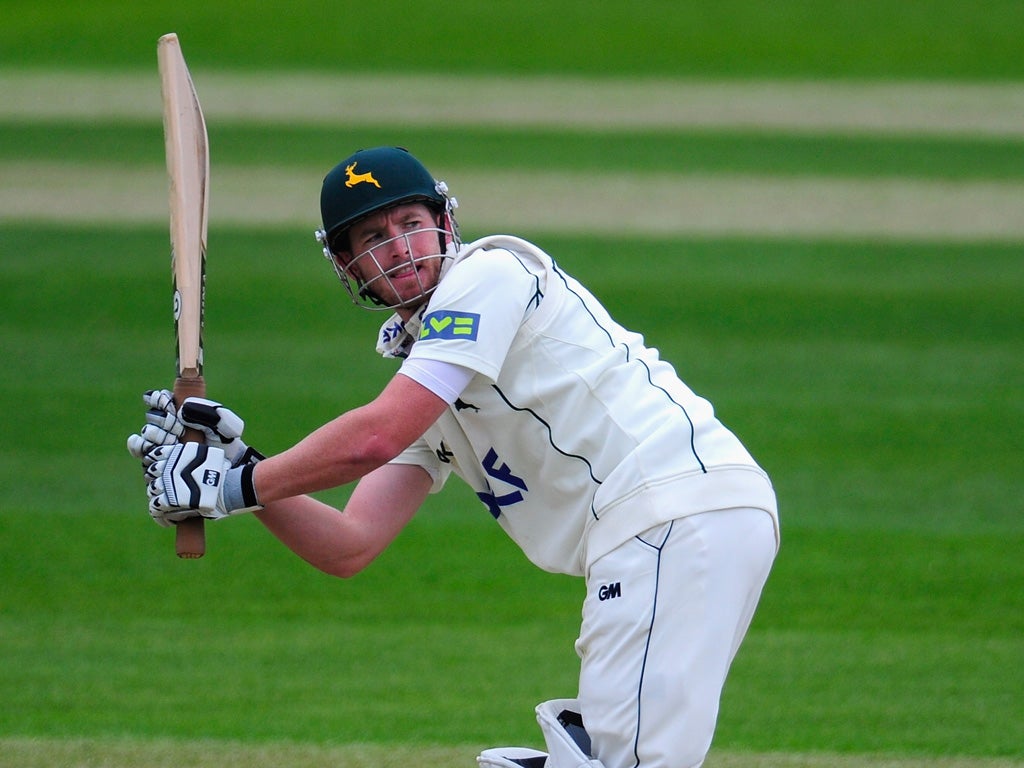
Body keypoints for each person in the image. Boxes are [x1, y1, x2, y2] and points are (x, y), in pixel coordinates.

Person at [128, 146, 779, 768]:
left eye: (409, 223)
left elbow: (375, 436)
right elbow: (349, 545)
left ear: (444, 223)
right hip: (676, 528)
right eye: (374, 239)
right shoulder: (430, 373)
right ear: (349, 267)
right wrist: (242, 467)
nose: (400, 246)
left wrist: (228, 485)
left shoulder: (488, 276)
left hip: (669, 513)